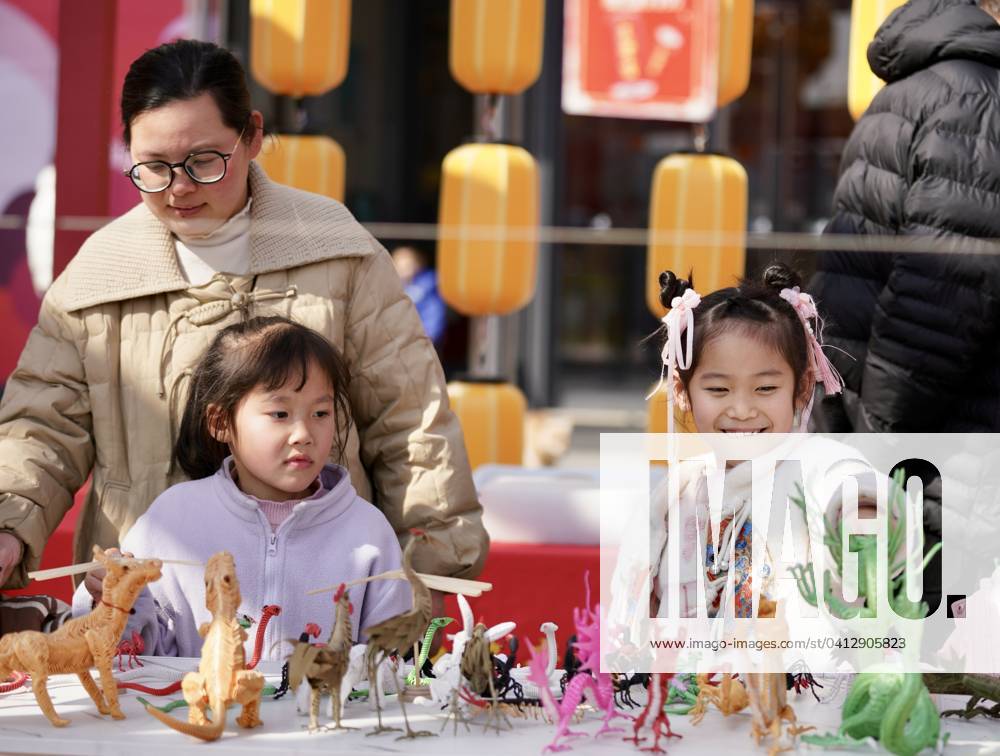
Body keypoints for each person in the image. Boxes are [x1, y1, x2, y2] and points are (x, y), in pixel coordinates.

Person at [0, 40, 487, 597]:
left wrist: (431, 567)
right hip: (147, 598)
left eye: (204, 161)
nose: (179, 187)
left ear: (252, 136)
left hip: (321, 594)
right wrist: (8, 522)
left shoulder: (337, 251)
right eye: (153, 167)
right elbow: (42, 423)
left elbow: (410, 422)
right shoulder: (98, 274)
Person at [810, 0, 1000, 608]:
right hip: (932, 441)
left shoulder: (922, 89)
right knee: (905, 655)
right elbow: (941, 296)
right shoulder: (978, 98)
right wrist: (881, 437)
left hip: (881, 418)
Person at [74, 316, 411, 658]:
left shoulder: (367, 532)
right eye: (280, 414)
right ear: (221, 423)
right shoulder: (171, 520)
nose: (304, 434)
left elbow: (393, 664)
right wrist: (111, 597)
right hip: (195, 711)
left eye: (321, 413)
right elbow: (131, 653)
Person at [609, 264, 883, 641]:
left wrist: (860, 517)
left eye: (766, 388)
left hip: (799, 690)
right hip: (693, 692)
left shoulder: (819, 466)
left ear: (802, 387)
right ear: (682, 391)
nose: (741, 410)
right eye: (719, 390)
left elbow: (853, 488)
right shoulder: (677, 493)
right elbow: (639, 609)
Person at [391, 245, 446, 346]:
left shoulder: (428, 287)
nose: (403, 270)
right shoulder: (388, 286)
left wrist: (429, 335)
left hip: (422, 342)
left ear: (418, 265)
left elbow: (433, 313)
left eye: (408, 265)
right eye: (399, 265)